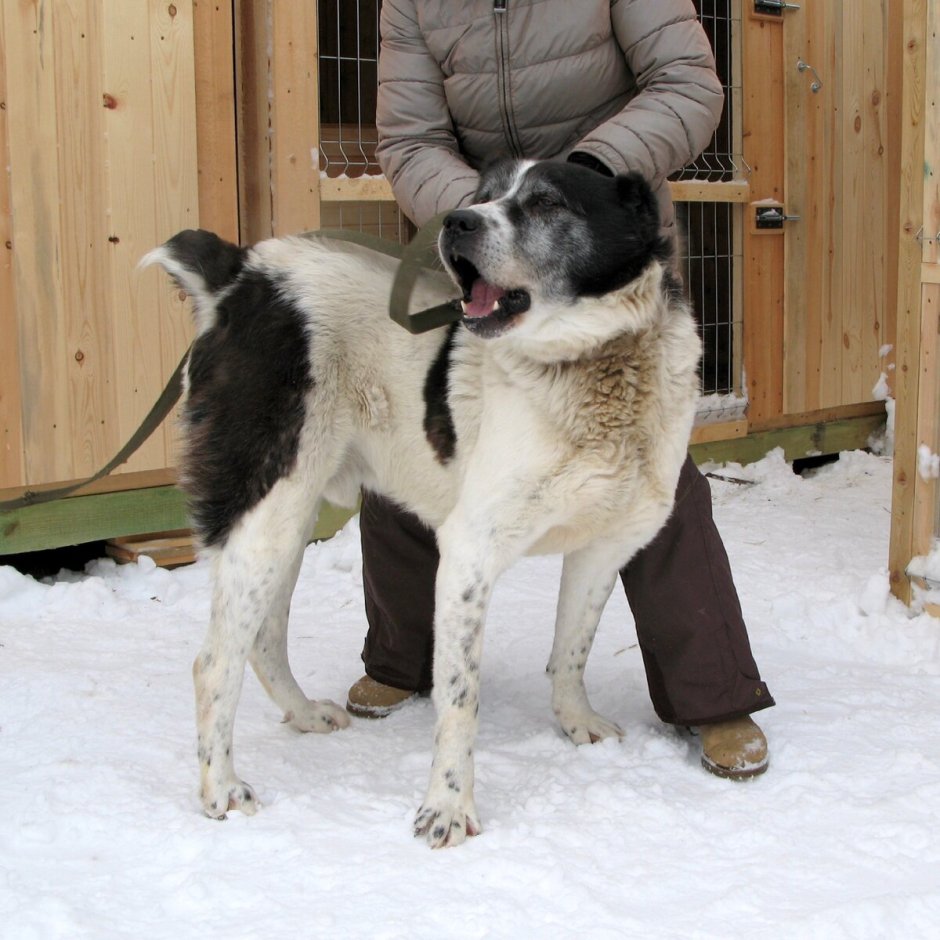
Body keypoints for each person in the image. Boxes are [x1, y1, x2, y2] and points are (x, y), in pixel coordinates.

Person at [346, 0, 775, 780]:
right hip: (485, 245)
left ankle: (712, 691)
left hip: (593, 241)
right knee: (414, 434)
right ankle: (402, 656)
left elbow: (687, 83)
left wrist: (580, 181)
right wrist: (484, 214)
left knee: (641, 467)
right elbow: (410, 139)